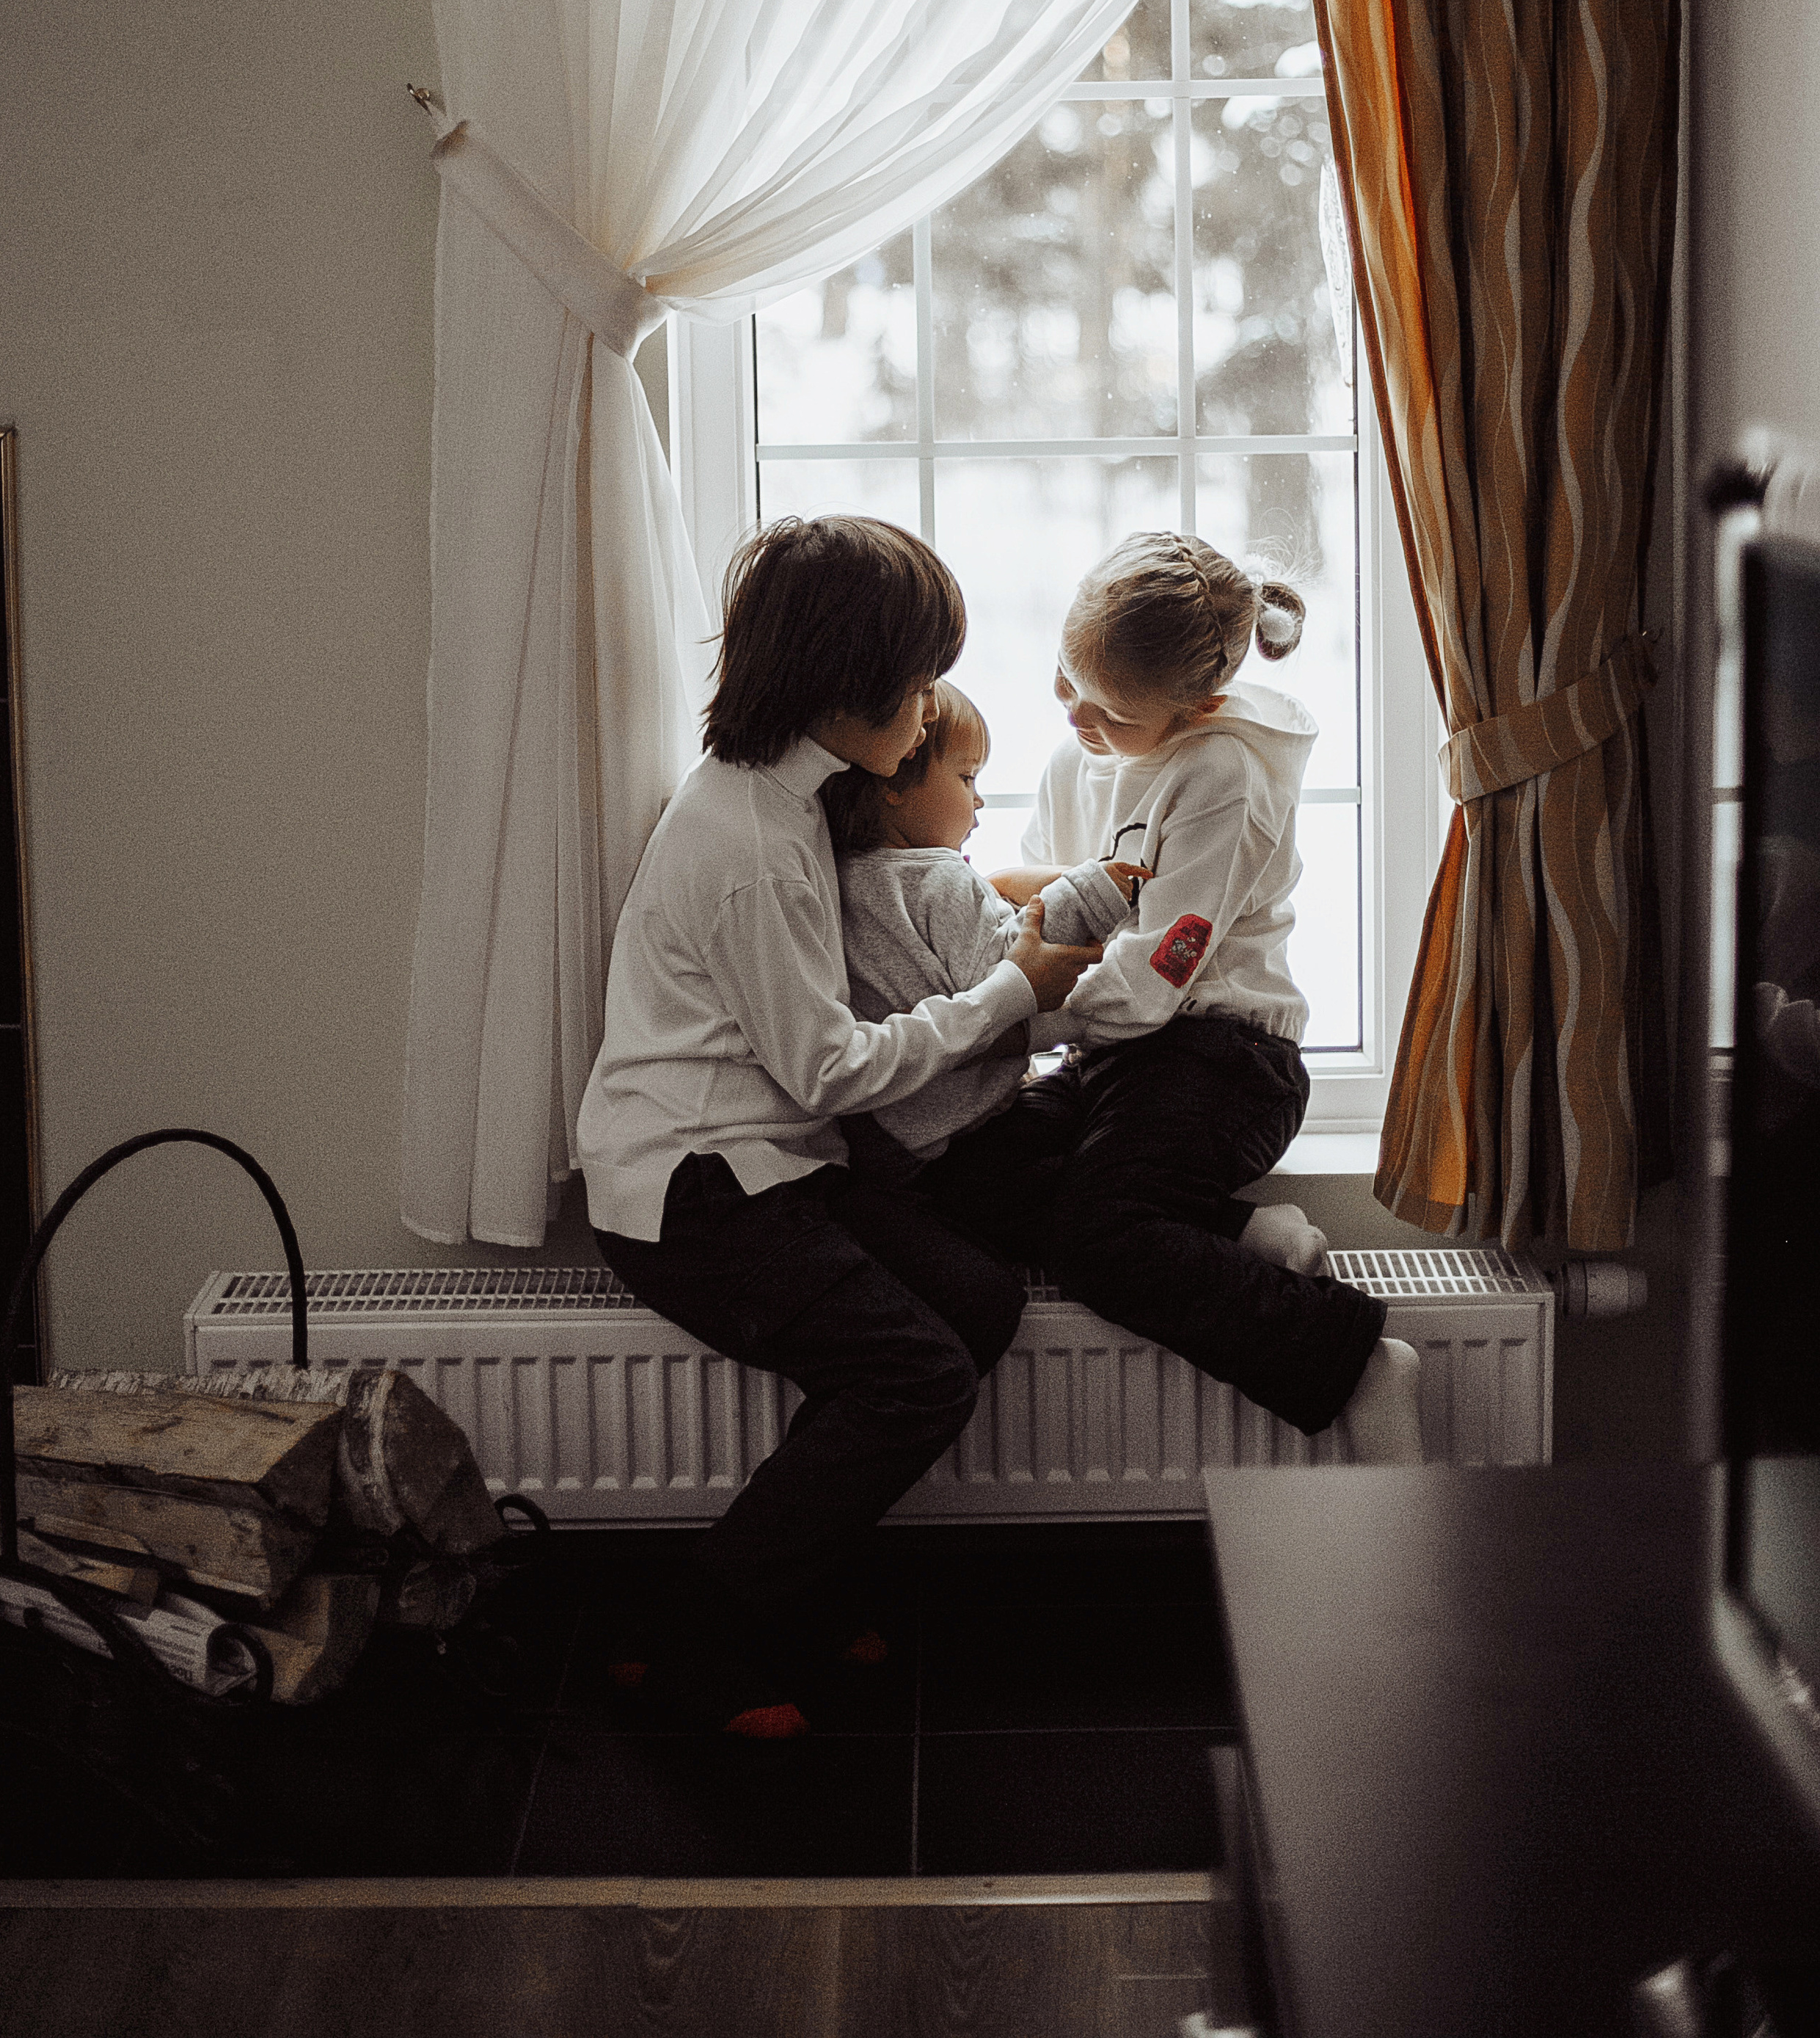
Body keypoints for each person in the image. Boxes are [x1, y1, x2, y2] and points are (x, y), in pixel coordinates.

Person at [575, 515, 1101, 1737]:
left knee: (977, 1303)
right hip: (692, 1191)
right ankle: (696, 1644)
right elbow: (824, 1069)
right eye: (915, 683)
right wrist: (1009, 996)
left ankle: (782, 1584)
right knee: (912, 1375)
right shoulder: (750, 842)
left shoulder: (789, 798)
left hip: (769, 1165)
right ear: (840, 683)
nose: (928, 712)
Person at [912, 530, 1424, 1464]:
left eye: (1104, 710)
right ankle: (1235, 1229)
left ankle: (1354, 1359)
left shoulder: (1224, 776)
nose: (1073, 717)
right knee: (955, 1177)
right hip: (1111, 1054)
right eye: (1064, 680)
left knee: (1100, 1239)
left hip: (1225, 1060)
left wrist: (1005, 1015)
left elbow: (1148, 985)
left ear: (1204, 703)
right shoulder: (1086, 752)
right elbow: (1061, 910)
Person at [822, 676, 1140, 1183]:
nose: (979, 802)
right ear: (893, 782)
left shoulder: (843, 874)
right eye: (967, 778)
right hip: (966, 1127)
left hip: (893, 1132)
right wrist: (1088, 893)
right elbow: (1010, 970)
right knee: (1102, 1171)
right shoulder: (940, 877)